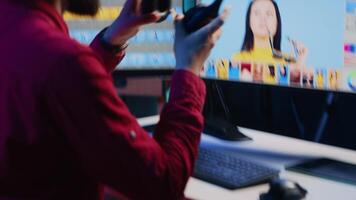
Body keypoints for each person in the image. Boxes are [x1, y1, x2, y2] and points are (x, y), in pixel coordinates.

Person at [0, 0, 229, 199]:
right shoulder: (63, 63)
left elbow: (59, 86)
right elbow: (163, 183)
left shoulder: (14, 32)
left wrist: (113, 39)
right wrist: (189, 68)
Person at [233, 0, 308, 66]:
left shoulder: (289, 61)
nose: (263, 18)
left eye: (269, 14)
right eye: (257, 13)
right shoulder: (238, 59)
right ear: (249, 22)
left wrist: (300, 62)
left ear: (277, 23)